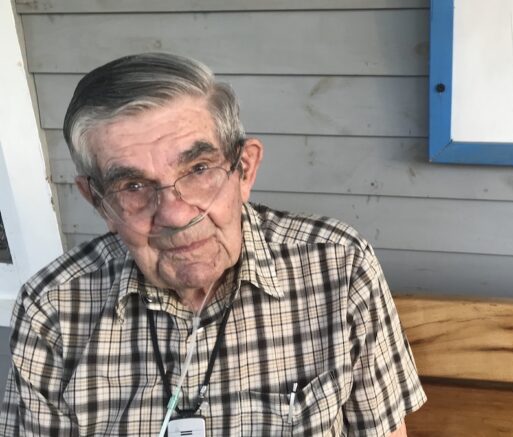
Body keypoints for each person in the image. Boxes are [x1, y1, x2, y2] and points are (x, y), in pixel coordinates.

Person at [0, 52, 425, 436]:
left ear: (244, 168)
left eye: (199, 168)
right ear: (100, 203)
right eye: (132, 185)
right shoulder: (53, 307)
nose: (175, 213)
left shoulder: (339, 267)